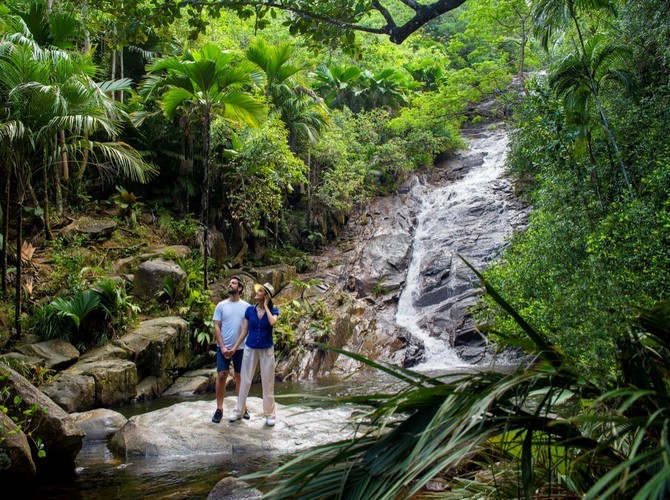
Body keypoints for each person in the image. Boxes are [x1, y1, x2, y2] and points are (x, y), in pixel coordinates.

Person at [226, 282, 279, 427]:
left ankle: (270, 414)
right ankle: (239, 411)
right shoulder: (250, 310)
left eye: (260, 291)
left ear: (266, 296)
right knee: (245, 379)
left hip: (267, 348)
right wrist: (235, 347)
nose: (256, 293)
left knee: (268, 381)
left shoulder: (274, 310)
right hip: (250, 348)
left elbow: (273, 322)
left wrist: (267, 306)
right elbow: (244, 331)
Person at [211, 276, 250, 423]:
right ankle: (219, 408)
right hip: (223, 347)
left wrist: (234, 347)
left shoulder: (246, 306)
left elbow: (246, 329)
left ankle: (241, 407)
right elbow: (216, 326)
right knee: (222, 375)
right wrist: (222, 346)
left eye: (233, 283)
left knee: (240, 376)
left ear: (239, 288)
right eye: (229, 283)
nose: (230, 284)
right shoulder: (221, 306)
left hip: (240, 348)